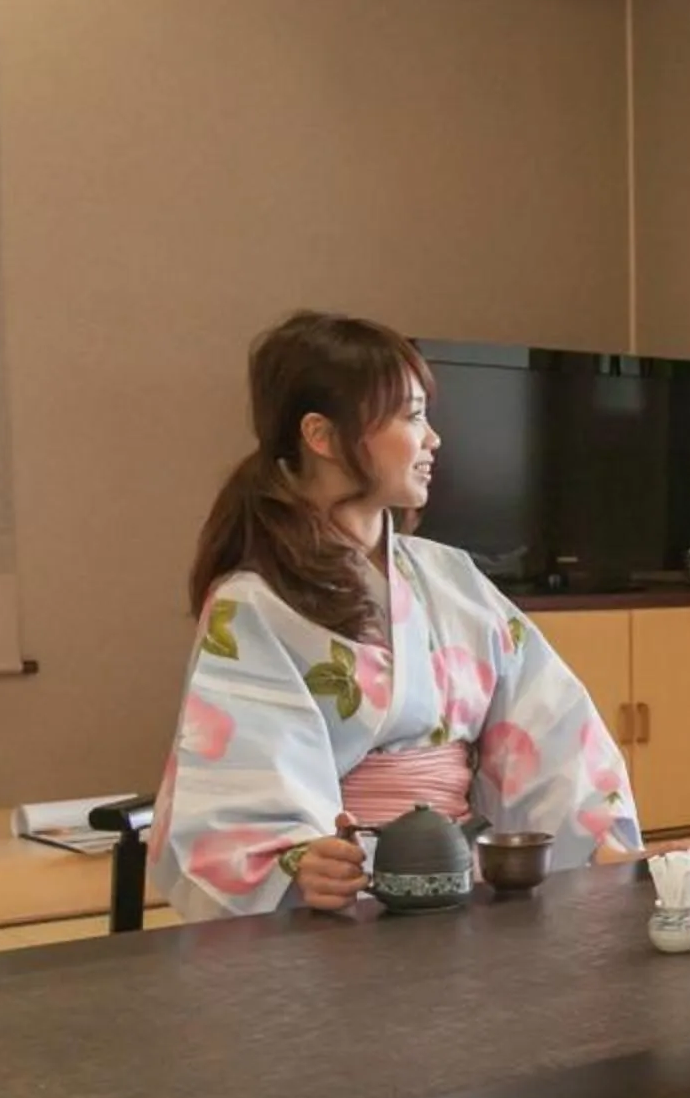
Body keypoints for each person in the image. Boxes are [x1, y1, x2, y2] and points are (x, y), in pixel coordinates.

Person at [150, 310, 640, 919]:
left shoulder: (452, 577)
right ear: (321, 435)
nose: (433, 439)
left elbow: (550, 725)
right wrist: (300, 861)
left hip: (462, 882)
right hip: (342, 900)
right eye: (411, 416)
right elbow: (242, 786)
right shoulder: (253, 603)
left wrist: (601, 849)